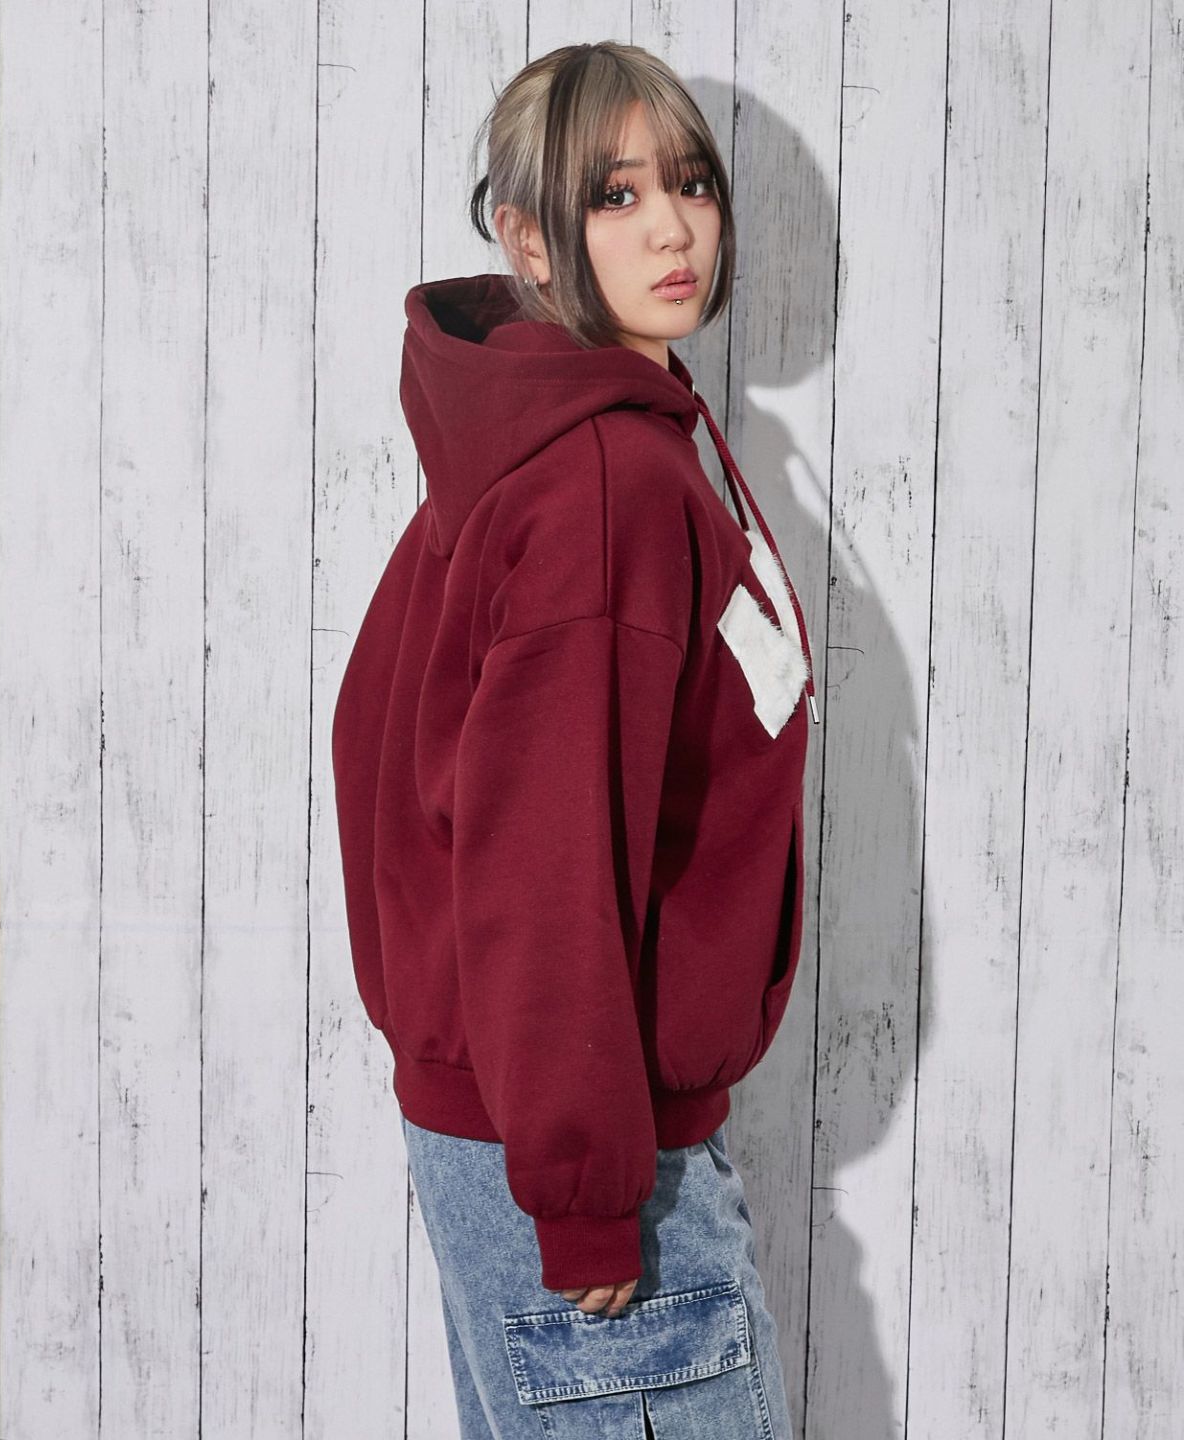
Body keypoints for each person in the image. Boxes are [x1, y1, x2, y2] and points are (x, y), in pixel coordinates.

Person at [331, 39, 817, 1439]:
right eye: (615, 195)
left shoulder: (538, 452)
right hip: (587, 1167)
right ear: (527, 237)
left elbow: (393, 759)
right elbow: (541, 861)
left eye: (691, 183)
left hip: (511, 1129)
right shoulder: (604, 481)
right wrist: (590, 1193)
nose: (672, 229)